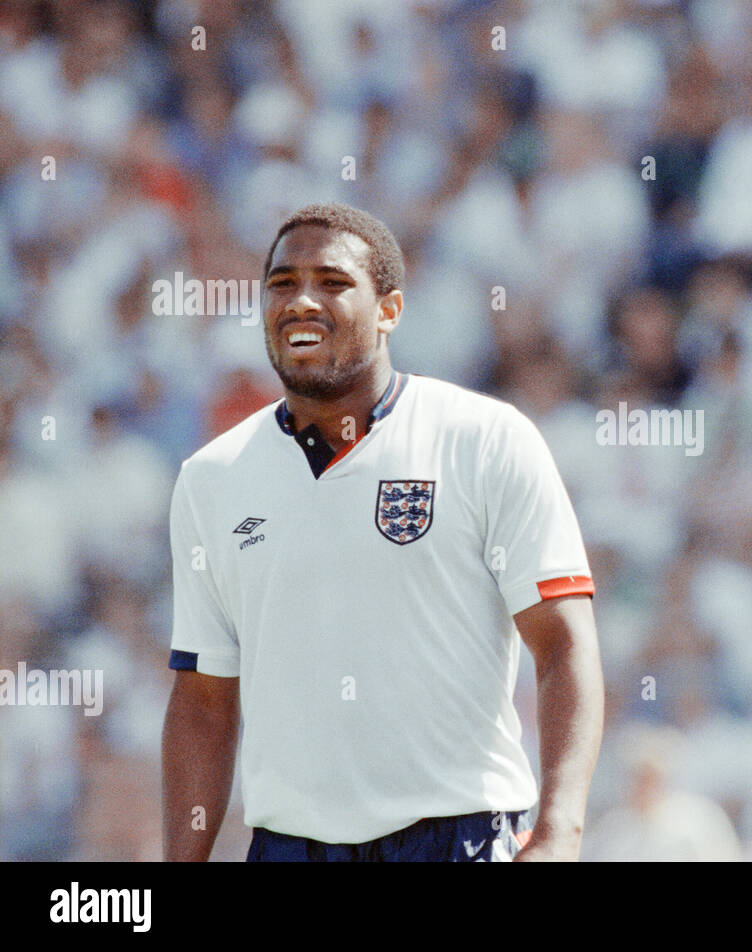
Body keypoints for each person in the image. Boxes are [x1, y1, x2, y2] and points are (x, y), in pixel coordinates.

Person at [161, 202, 604, 862]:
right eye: (282, 284)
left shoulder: (482, 439)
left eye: (333, 283)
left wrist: (560, 830)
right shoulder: (211, 478)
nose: (302, 301)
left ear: (390, 309)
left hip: (460, 834)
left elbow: (564, 646)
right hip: (290, 847)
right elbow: (203, 698)